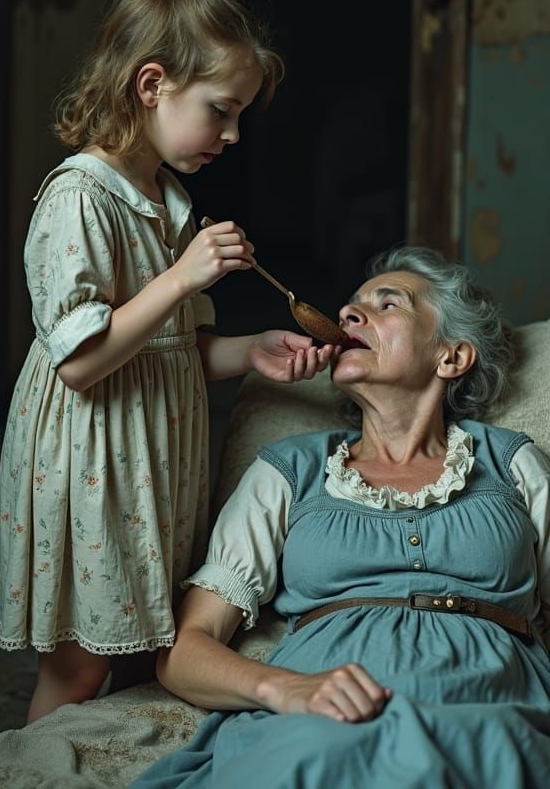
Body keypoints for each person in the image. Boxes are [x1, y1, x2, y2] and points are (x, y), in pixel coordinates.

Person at [0, 0, 335, 723]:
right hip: (93, 461)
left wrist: (252, 351)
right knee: (79, 668)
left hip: (150, 467)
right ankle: (37, 773)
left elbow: (177, 349)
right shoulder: (80, 199)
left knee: (145, 654)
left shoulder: (166, 200)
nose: (233, 134)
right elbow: (79, 364)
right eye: (221, 111)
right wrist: (179, 278)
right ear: (152, 85)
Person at [131, 246, 550, 789]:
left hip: (488, 706)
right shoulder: (291, 470)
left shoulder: (511, 463)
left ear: (451, 357)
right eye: (351, 306)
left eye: (388, 304)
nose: (350, 314)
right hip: (322, 717)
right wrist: (282, 690)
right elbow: (186, 648)